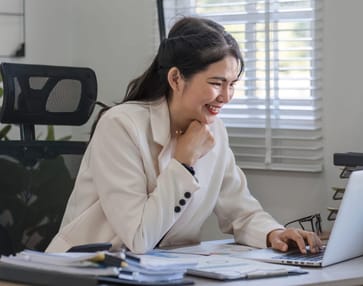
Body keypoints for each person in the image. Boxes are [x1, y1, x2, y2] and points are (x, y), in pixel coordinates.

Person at [46, 16, 322, 254]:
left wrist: (273, 234)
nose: (226, 97)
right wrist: (183, 162)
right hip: (86, 270)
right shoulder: (120, 125)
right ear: (176, 79)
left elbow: (241, 212)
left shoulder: (214, 131)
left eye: (233, 84)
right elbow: (139, 237)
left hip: (163, 272)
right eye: (216, 83)